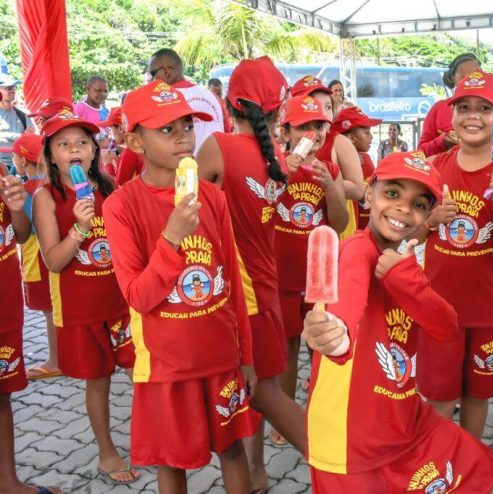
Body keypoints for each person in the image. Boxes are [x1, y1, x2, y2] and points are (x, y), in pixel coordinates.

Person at [302, 151, 493, 493]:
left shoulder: (405, 261)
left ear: (427, 215)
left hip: (407, 421)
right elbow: (347, 302)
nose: (404, 208)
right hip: (351, 440)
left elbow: (445, 326)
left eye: (419, 204)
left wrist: (405, 279)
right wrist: (336, 334)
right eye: (392, 193)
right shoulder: (357, 250)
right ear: (369, 193)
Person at [103, 80, 258, 493]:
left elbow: (232, 280)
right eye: (166, 130)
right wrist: (171, 239)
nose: (183, 137)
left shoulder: (212, 197)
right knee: (171, 462)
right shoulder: (120, 206)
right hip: (165, 367)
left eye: (187, 126)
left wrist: (246, 352)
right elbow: (138, 295)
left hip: (221, 355)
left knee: (232, 450)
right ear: (135, 140)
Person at [196, 56, 307, 493]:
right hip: (267, 287)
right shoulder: (274, 156)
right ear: (276, 111)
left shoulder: (218, 148)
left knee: (266, 396)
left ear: (231, 103)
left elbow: (182, 210)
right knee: (260, 391)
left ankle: (344, 467)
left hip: (240, 297)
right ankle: (257, 473)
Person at [415, 71, 493, 443]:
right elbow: (411, 233)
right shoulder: (436, 168)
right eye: (464, 107)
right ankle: (437, 465)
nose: (473, 116)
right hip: (439, 306)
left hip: (489, 307)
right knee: (439, 397)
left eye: (485, 108)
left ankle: (467, 462)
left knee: (476, 395)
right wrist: (432, 219)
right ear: (451, 115)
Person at [32, 111, 138, 484]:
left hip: (121, 303)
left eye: (81, 143)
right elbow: (54, 261)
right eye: (63, 144)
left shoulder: (109, 189)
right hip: (80, 307)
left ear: (93, 151)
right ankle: (106, 452)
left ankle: (150, 439)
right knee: (99, 379)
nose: (74, 149)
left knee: (141, 372)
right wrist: (79, 227)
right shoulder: (46, 198)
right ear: (51, 155)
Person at [275, 95, 347, 436]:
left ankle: (319, 411)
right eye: (303, 126)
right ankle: (287, 416)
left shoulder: (329, 169)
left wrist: (332, 187)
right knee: (288, 345)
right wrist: (282, 174)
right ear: (286, 131)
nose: (312, 133)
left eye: (318, 126)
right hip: (282, 273)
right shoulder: (274, 164)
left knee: (318, 345)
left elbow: (338, 222)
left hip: (316, 274)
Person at [0, 146, 63, 494]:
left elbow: (21, 234)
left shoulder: (0, 171)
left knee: (3, 396)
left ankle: (9, 483)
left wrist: (14, 208)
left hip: (5, 311)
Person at [10, 132, 61, 380]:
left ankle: (55, 359)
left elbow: (27, 227)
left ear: (21, 160)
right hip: (53, 253)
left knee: (49, 310)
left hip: (37, 257)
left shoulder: (29, 189)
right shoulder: (53, 184)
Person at [291, 76, 365, 238]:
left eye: (327, 107)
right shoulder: (285, 144)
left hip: (333, 236)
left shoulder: (338, 142)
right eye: (315, 105)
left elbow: (358, 189)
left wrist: (328, 184)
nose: (322, 113)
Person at [147, 49, 226, 151]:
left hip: (184, 165)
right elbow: (225, 132)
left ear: (166, 72)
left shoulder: (163, 100)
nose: (151, 80)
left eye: (152, 74)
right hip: (217, 163)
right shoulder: (212, 96)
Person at [418, 53, 480, 157]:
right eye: (464, 78)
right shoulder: (439, 109)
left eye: (476, 77)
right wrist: (441, 142)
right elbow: (420, 154)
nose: (471, 82)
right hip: (444, 171)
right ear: (452, 79)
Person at [330, 106, 382, 230]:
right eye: (367, 133)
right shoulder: (336, 166)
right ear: (351, 138)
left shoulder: (367, 160)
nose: (371, 137)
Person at [97, 107, 145, 184]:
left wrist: (107, 164)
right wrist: (119, 162)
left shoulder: (129, 153)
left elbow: (117, 188)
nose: (109, 135)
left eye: (110, 129)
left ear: (120, 129)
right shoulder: (141, 146)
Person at [0, 74, 28, 169]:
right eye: (9, 87)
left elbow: (33, 139)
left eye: (14, 87)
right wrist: (19, 137)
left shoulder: (23, 114)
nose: (13, 90)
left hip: (20, 168)